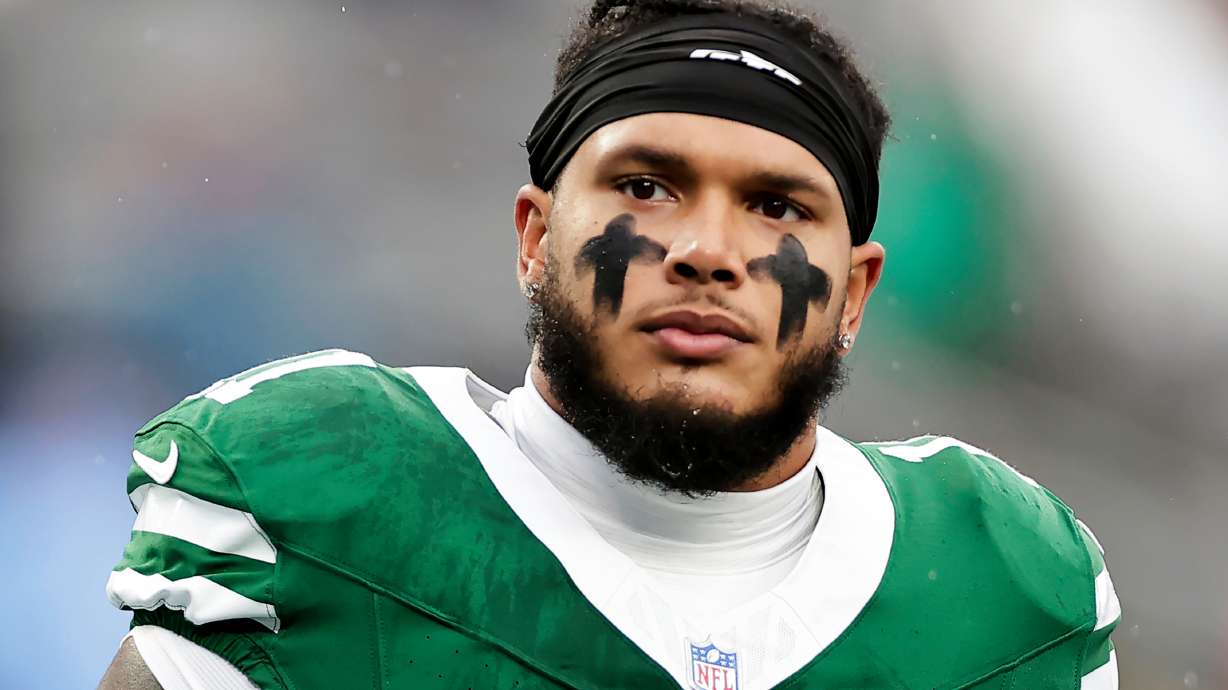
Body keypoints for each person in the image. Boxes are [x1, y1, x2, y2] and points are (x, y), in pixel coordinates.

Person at [99, 1, 1120, 688]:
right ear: (534, 239)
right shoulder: (326, 492)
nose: (707, 252)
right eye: (646, 185)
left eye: (776, 205)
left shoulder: (1004, 585)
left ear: (854, 291)